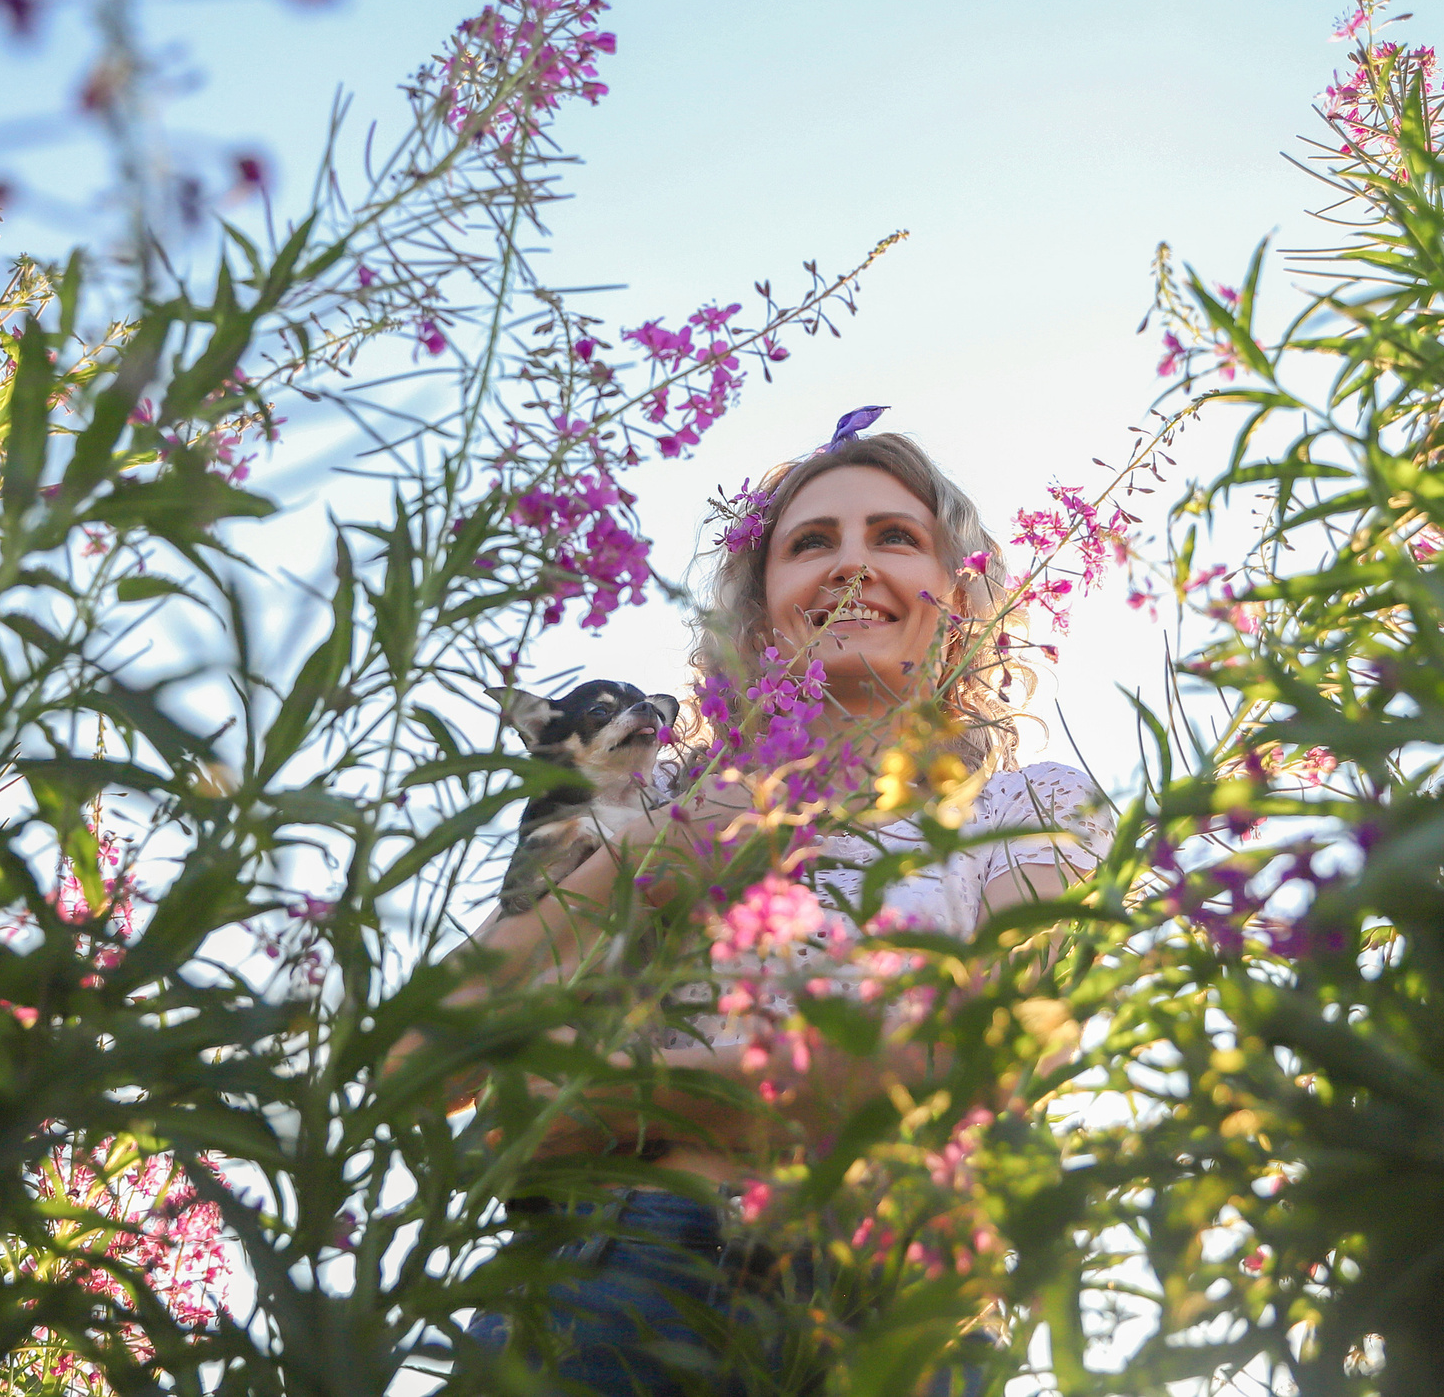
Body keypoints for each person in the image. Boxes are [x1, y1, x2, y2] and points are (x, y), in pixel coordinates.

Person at [452, 427, 1111, 1396]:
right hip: (605, 1279)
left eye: (894, 536)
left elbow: (977, 1067)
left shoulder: (1032, 810)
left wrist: (596, 1095)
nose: (851, 561)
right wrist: (665, 857)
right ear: (761, 616)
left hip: (888, 1307)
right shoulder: (657, 799)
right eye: (810, 543)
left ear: (960, 598)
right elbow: (429, 1051)